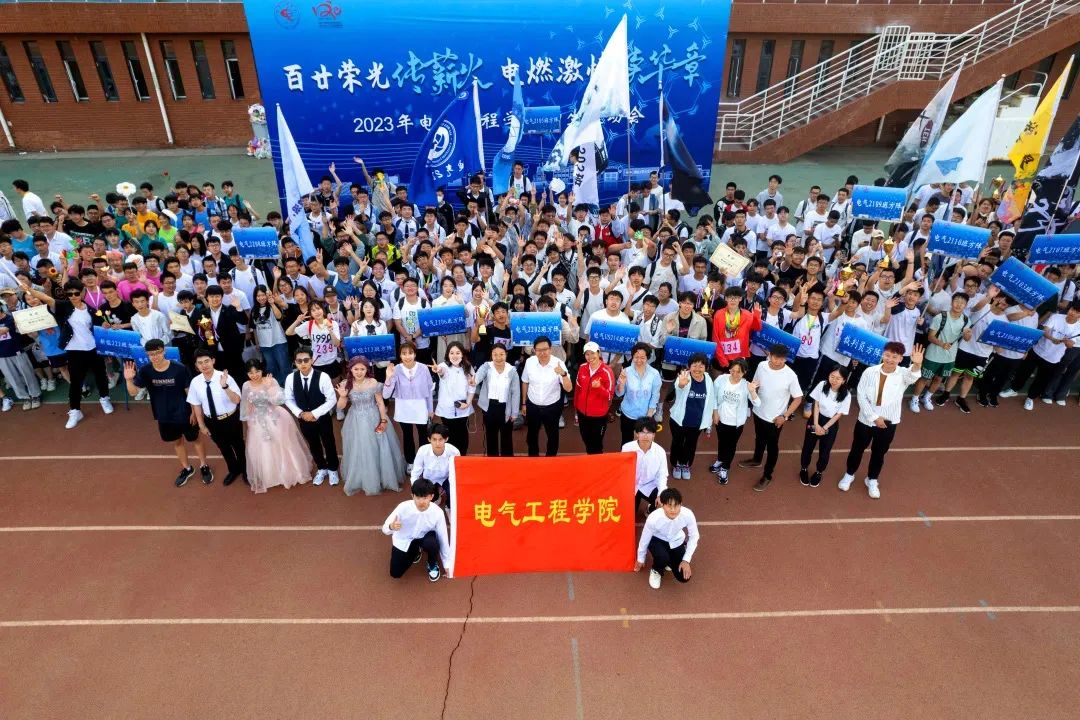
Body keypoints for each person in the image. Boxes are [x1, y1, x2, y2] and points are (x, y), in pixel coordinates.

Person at [19, 277, 112, 429]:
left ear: (82, 292)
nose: (73, 296)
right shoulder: (63, 307)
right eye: (70, 294)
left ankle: (104, 398)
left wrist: (104, 324)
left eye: (76, 293)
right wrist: (29, 290)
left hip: (94, 349)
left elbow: (98, 325)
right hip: (74, 351)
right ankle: (75, 411)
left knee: (101, 375)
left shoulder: (91, 310)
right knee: (75, 382)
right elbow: (46, 298)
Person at [839, 342, 923, 499]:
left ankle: (872, 479)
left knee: (879, 453)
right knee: (857, 449)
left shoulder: (903, 374)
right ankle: (849, 474)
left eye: (895, 357)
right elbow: (861, 395)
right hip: (866, 420)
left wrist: (917, 364)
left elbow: (913, 376)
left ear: (900, 359)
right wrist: (874, 417)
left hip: (888, 422)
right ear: (882, 355)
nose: (890, 359)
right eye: (887, 355)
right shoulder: (870, 372)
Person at [124, 339, 210, 487]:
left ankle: (204, 465)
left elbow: (189, 392)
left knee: (195, 439)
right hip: (164, 416)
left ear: (164, 351)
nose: (155, 357)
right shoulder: (145, 371)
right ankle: (187, 468)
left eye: (157, 353)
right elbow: (133, 393)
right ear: (147, 355)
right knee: (177, 442)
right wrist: (128, 380)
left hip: (184, 414)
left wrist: (194, 412)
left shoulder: (180, 369)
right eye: (151, 354)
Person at [239, 358, 313, 494]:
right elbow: (246, 405)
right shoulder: (246, 385)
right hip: (257, 420)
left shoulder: (270, 380)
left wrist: (269, 388)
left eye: (257, 371)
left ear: (262, 370)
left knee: (283, 445)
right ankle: (271, 476)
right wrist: (249, 421)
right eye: (250, 373)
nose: (254, 375)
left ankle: (290, 473)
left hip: (275, 417)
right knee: (263, 448)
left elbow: (279, 401)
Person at [738, 344, 803, 491]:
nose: (778, 361)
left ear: (785, 359)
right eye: (775, 358)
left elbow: (798, 398)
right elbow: (755, 385)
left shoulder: (791, 375)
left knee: (772, 447)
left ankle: (767, 475)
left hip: (775, 419)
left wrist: (785, 416)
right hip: (758, 412)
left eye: (782, 359)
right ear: (769, 355)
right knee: (759, 438)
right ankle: (756, 459)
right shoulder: (762, 366)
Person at [338, 355, 405, 496]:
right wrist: (343, 396)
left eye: (362, 369)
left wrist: (383, 420)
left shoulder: (373, 382)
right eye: (356, 369)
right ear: (351, 369)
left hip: (374, 417)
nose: (359, 372)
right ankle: (363, 477)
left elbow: (380, 403)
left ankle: (381, 476)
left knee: (378, 447)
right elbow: (340, 406)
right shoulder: (346, 384)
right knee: (359, 448)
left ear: (366, 370)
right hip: (355, 420)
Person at [186, 349, 246, 486]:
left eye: (206, 361)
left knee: (238, 445)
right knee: (223, 447)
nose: (204, 365)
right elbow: (196, 405)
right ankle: (233, 470)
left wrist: (225, 386)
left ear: (213, 361)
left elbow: (237, 400)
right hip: (211, 421)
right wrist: (201, 425)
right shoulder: (195, 382)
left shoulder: (225, 377)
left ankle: (245, 470)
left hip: (230, 418)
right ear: (196, 365)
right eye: (200, 363)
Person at [284, 346, 339, 486]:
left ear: (312, 360)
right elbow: (288, 399)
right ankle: (322, 468)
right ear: (295, 362)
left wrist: (314, 413)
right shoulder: (290, 378)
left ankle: (333, 469)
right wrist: (300, 413)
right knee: (313, 444)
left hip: (322, 418)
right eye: (299, 361)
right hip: (303, 419)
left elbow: (331, 399)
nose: (302, 363)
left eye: (306, 360)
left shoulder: (323, 377)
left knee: (329, 442)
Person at [382, 478, 452, 582]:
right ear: (412, 496)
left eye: (425, 498)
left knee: (432, 543)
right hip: (405, 540)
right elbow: (385, 528)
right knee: (395, 573)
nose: (421, 502)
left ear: (431, 496)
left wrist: (447, 563)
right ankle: (416, 551)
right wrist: (391, 527)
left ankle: (432, 563)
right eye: (418, 498)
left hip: (425, 537)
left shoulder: (437, 513)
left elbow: (443, 537)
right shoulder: (402, 507)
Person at [383, 341, 435, 473]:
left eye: (410, 353)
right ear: (400, 355)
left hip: (420, 407)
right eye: (404, 353)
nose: (407, 356)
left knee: (423, 435)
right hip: (403, 408)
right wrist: (388, 378)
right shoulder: (396, 369)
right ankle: (410, 462)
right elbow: (386, 394)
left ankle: (423, 462)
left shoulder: (423, 368)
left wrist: (430, 409)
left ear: (415, 354)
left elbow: (429, 390)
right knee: (407, 436)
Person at [634, 487, 699, 590]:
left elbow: (694, 536)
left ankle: (669, 561)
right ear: (662, 505)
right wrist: (640, 558)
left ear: (681, 504)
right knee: (662, 557)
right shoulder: (653, 518)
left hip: (676, 541)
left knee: (683, 577)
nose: (673, 510)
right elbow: (645, 538)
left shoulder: (688, 514)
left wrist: (686, 560)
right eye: (669, 506)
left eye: (676, 505)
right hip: (656, 540)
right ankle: (656, 570)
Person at [799, 367, 851, 488]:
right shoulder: (822, 385)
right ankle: (804, 468)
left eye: (838, 378)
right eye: (832, 376)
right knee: (808, 446)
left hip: (830, 424)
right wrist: (816, 424)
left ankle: (819, 472)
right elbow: (816, 404)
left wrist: (824, 428)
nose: (834, 380)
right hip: (816, 419)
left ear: (844, 380)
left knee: (825, 450)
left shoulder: (846, 395)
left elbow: (838, 414)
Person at [521, 335, 573, 457]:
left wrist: (563, 374)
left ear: (550, 349)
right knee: (531, 436)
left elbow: (569, 388)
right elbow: (525, 381)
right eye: (539, 350)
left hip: (552, 407)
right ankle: (533, 459)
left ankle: (551, 460)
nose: (542, 353)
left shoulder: (558, 363)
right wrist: (524, 403)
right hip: (533, 406)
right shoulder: (529, 362)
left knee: (552, 436)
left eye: (545, 349)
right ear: (534, 350)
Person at [709, 358, 759, 485]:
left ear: (744, 372)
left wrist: (752, 391)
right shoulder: (721, 379)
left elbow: (757, 403)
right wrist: (715, 412)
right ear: (730, 369)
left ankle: (725, 468)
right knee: (721, 441)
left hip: (736, 424)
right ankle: (720, 460)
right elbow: (713, 396)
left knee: (731, 445)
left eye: (739, 372)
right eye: (733, 370)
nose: (735, 374)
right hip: (721, 419)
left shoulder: (746, 385)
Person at [668, 353, 717, 481]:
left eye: (701, 366)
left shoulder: (708, 379)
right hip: (679, 420)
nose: (697, 369)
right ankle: (676, 464)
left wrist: (711, 419)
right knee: (677, 443)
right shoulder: (684, 376)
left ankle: (686, 465)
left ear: (706, 367)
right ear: (689, 366)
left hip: (697, 422)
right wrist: (681, 384)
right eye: (694, 365)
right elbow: (678, 387)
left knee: (691, 444)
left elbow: (711, 400)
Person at [473, 344, 520, 457]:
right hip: (489, 407)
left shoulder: (512, 371)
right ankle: (492, 461)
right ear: (491, 355)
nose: (498, 358)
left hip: (506, 407)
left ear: (506, 354)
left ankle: (507, 462)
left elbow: (516, 393)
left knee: (506, 437)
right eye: (495, 355)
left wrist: (514, 413)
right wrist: (474, 380)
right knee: (491, 437)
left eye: (501, 354)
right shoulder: (487, 366)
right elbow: (478, 375)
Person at [431, 341, 475, 455]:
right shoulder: (443, 366)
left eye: (457, 353)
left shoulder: (468, 367)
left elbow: (472, 387)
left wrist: (468, 403)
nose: (454, 356)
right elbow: (441, 372)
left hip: (463, 408)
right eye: (451, 353)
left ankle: (462, 457)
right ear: (448, 354)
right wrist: (438, 370)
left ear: (462, 354)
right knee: (449, 435)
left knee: (463, 435)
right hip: (447, 409)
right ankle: (451, 458)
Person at [573, 341, 616, 454]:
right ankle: (591, 458)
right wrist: (576, 409)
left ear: (599, 353)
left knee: (596, 444)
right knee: (585, 439)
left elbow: (610, 396)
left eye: (592, 353)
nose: (590, 357)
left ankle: (596, 461)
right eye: (587, 354)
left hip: (599, 416)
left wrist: (599, 388)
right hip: (582, 413)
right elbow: (577, 389)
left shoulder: (607, 371)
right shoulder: (582, 368)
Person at [616, 342, 662, 444]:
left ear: (647, 358)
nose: (639, 360)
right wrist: (621, 383)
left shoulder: (654, 374)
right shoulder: (626, 371)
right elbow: (619, 393)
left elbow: (655, 395)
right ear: (632, 357)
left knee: (643, 443)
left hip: (646, 416)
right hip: (628, 414)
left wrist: (649, 416)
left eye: (642, 357)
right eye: (636, 357)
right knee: (626, 442)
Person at [623, 417, 668, 519]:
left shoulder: (660, 452)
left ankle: (651, 509)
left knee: (665, 501)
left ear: (654, 435)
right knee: (629, 517)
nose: (645, 436)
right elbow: (622, 471)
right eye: (642, 432)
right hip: (632, 486)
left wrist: (660, 494)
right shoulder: (627, 448)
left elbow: (662, 475)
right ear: (637, 434)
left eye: (649, 432)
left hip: (650, 485)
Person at [409, 423, 461, 510]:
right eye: (434, 439)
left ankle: (448, 506)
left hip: (446, 479)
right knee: (425, 499)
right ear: (429, 439)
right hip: (428, 480)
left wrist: (453, 488)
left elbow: (457, 472)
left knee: (453, 491)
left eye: (440, 439)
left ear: (446, 439)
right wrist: (416, 489)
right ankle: (436, 496)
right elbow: (415, 472)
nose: (437, 443)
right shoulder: (422, 450)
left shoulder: (454, 452)